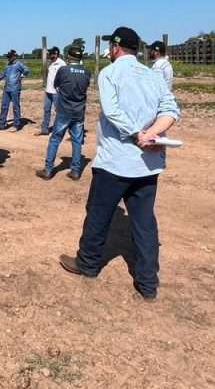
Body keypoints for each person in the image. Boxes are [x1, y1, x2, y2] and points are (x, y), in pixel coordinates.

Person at [59, 26, 180, 302]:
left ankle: (88, 263)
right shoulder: (153, 75)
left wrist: (138, 134)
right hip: (148, 163)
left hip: (115, 161)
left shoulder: (110, 73)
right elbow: (171, 110)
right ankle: (148, 283)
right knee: (145, 222)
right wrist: (153, 134)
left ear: (115, 47)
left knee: (98, 213)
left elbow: (112, 111)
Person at [36, 46, 91, 180]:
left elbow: (56, 85)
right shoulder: (87, 72)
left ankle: (48, 170)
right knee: (77, 141)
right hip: (79, 112)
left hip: (64, 110)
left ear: (69, 57)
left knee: (55, 139)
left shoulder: (63, 70)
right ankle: (75, 171)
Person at [0, 50, 29, 131]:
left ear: (14, 56)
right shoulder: (8, 65)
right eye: (8, 57)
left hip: (15, 88)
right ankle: (1, 124)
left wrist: (21, 76)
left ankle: (16, 125)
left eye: (10, 56)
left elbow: (27, 70)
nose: (8, 58)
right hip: (6, 88)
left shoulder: (19, 64)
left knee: (15, 106)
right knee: (4, 106)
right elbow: (3, 73)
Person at [36, 47, 66, 136]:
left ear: (56, 54)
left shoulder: (62, 64)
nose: (50, 55)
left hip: (56, 92)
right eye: (50, 53)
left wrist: (60, 89)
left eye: (51, 53)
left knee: (59, 111)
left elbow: (64, 78)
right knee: (46, 110)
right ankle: (44, 129)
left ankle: (59, 130)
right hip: (48, 91)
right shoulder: (51, 63)